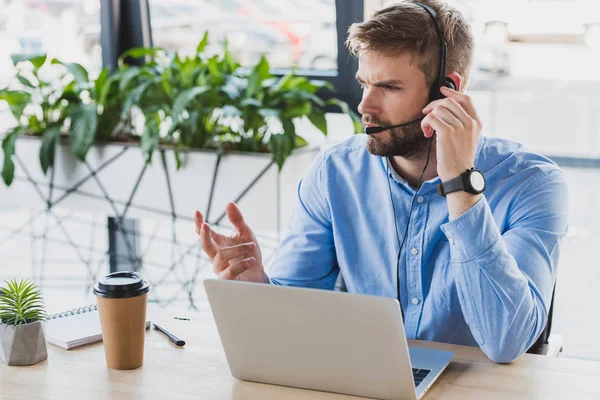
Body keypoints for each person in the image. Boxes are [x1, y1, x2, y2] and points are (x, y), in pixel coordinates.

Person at [194, 0, 568, 364]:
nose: (364, 106)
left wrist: (461, 187)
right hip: (365, 383)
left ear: (447, 90)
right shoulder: (335, 174)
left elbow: (508, 341)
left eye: (388, 87)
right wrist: (258, 287)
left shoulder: (532, 183)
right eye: (363, 84)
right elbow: (297, 312)